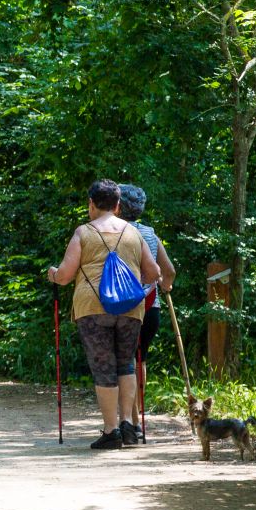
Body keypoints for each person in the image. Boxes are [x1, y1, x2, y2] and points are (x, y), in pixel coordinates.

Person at [46, 179, 161, 450]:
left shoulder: (83, 233)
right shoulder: (134, 234)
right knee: (126, 363)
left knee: (104, 368)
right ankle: (129, 427)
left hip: (92, 308)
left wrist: (52, 274)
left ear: (91, 204)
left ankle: (111, 432)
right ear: (118, 206)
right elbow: (154, 273)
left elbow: (64, 276)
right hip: (131, 307)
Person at [118, 183, 178, 439]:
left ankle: (130, 420)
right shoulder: (151, 234)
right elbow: (169, 271)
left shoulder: (115, 232)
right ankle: (137, 416)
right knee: (140, 360)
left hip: (124, 306)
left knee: (125, 360)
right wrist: (165, 286)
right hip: (151, 307)